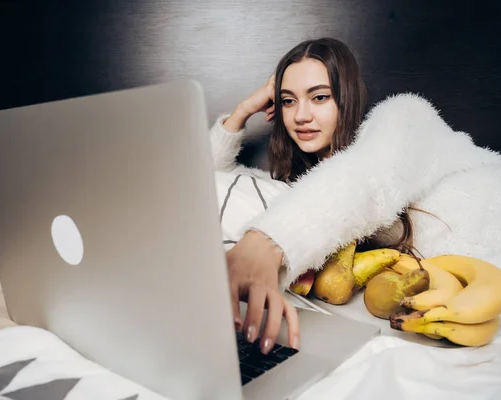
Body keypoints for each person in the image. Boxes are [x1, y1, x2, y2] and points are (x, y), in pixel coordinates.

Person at [208, 37, 501, 355]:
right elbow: (210, 183)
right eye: (288, 101)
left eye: (319, 97)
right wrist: (242, 112)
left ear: (346, 98)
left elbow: (365, 181)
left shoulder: (404, 119)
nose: (301, 115)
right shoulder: (308, 196)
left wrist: (262, 245)